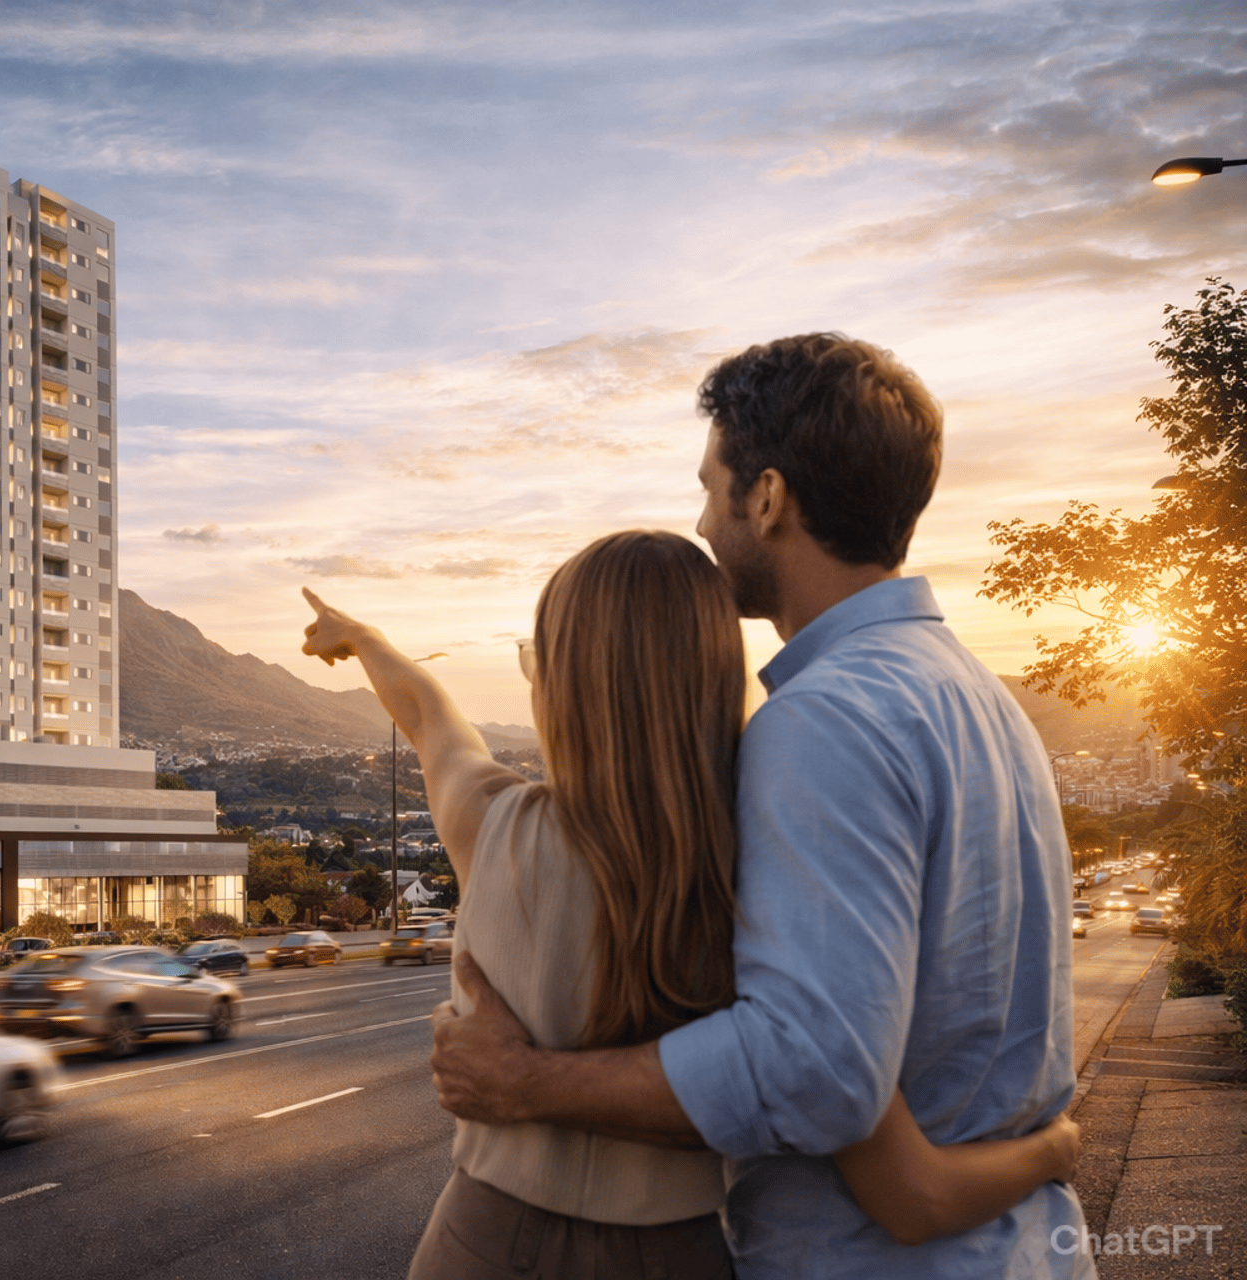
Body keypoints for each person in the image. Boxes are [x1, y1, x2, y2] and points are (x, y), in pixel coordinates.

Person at [421, 333, 1092, 1277]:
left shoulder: (825, 720)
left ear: (767, 498)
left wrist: (527, 1082)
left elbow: (814, 1071)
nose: (701, 519)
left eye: (710, 486)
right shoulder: (978, 697)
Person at [302, 533, 1075, 1276]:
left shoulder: (491, 826)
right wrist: (1048, 1149)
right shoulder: (755, 869)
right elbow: (853, 1128)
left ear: (558, 686)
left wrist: (362, 639)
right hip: (678, 1254)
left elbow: (428, 715)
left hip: (486, 1237)